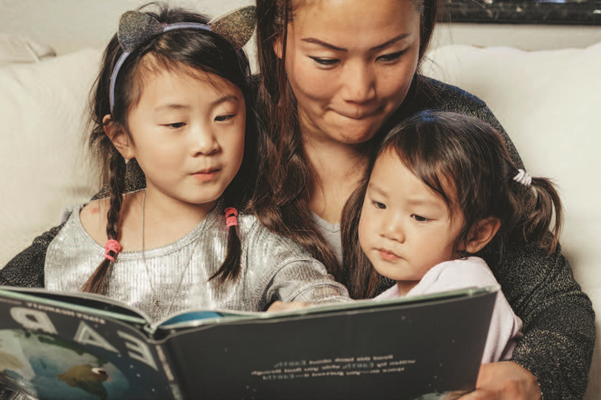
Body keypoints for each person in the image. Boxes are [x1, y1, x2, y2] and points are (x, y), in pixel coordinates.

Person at [250, 0, 595, 399]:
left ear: (423, 31)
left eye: (391, 55)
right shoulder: (218, 120)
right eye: (326, 59)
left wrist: (531, 379)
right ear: (277, 38)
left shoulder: (453, 130)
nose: (359, 91)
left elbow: (558, 307)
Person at [0, 4, 349, 323]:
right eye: (176, 124)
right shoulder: (74, 236)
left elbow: (330, 305)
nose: (206, 143)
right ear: (122, 137)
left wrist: (301, 318)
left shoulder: (260, 244)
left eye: (225, 116)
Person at [345, 110, 567, 364]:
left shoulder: (468, 288)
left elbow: (436, 379)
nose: (389, 230)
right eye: (379, 204)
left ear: (476, 234)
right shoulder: (391, 299)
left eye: (419, 217)